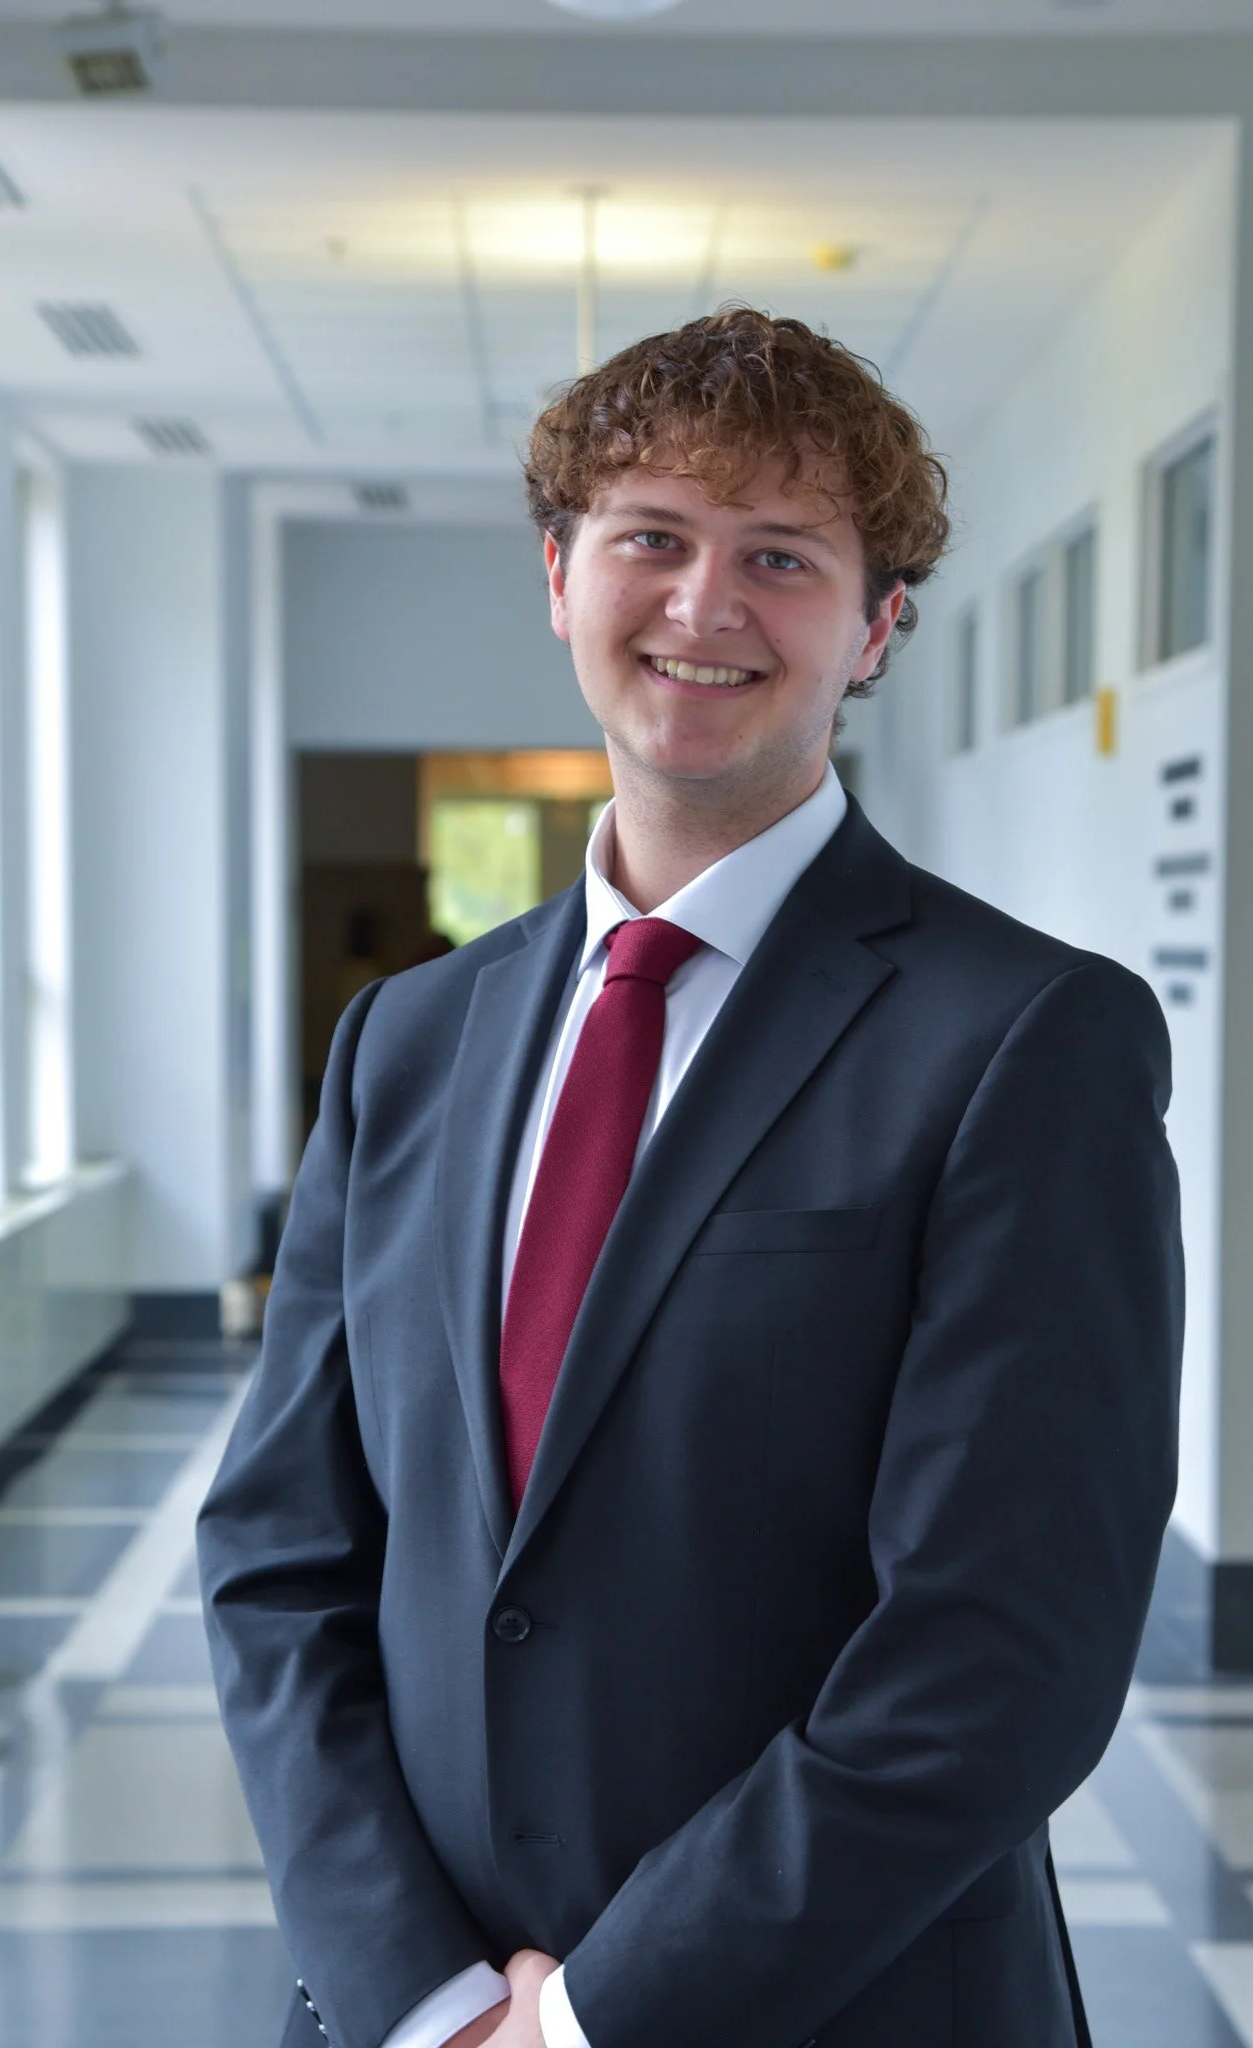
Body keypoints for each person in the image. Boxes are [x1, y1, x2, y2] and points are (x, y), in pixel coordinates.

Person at [198, 308, 1182, 2048]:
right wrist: (421, 1994)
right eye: (651, 537)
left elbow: (998, 1650)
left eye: (781, 559)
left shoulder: (1027, 1042)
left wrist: (595, 2019)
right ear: (560, 575)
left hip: (836, 2005)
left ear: (875, 629)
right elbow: (283, 1553)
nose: (702, 606)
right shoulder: (407, 1041)